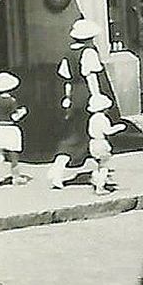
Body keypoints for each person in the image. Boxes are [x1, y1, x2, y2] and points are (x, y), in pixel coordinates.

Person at [47, 19, 112, 189]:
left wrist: (67, 98)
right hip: (86, 94)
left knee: (75, 133)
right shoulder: (89, 52)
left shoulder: (68, 53)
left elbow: (67, 80)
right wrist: (97, 97)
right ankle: (98, 177)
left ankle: (59, 167)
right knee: (89, 134)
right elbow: (91, 76)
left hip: (75, 95)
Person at [0, 72, 27, 189]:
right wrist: (22, 112)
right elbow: (14, 117)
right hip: (10, 128)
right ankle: (16, 177)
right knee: (13, 154)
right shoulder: (11, 101)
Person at [84, 94, 124, 195]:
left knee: (99, 164)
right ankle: (100, 186)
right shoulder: (103, 119)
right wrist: (118, 127)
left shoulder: (92, 118)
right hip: (101, 143)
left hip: (93, 143)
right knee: (105, 166)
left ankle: (96, 178)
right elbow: (107, 131)